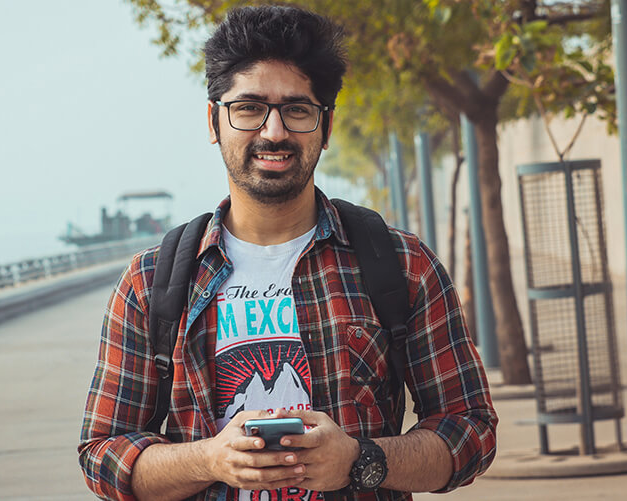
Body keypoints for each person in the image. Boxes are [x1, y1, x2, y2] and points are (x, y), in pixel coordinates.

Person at [79, 5, 497, 501]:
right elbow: (102, 454)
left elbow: (471, 430)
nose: (274, 132)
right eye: (249, 108)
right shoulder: (152, 281)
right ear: (214, 121)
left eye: (297, 110)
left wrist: (359, 461)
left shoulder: (400, 264)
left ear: (327, 126)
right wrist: (210, 458)